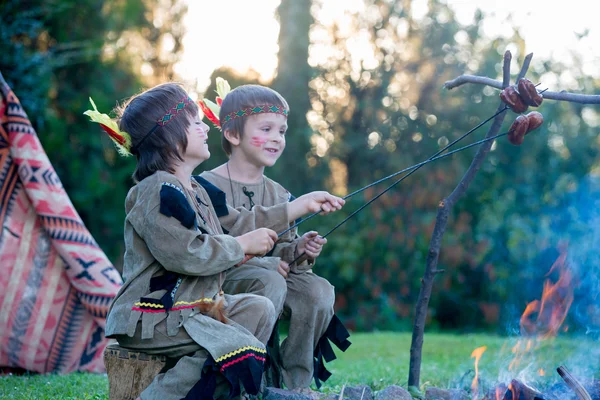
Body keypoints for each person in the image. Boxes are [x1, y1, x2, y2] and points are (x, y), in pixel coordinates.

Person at [84, 82, 344, 400]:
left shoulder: (196, 190)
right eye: (195, 122)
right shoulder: (158, 189)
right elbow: (187, 254)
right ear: (168, 134)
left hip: (195, 308)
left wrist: (275, 248)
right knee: (234, 347)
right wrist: (243, 246)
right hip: (155, 315)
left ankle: (224, 387)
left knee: (258, 309)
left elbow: (230, 231)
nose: (206, 127)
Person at [199, 79, 352, 396]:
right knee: (270, 281)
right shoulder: (205, 185)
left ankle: (296, 384)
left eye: (281, 131)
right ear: (232, 134)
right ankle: (249, 376)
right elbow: (225, 233)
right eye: (266, 129)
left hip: (274, 275)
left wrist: (301, 249)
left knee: (318, 290)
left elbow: (283, 252)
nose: (276, 139)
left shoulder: (278, 192)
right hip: (220, 280)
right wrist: (271, 255)